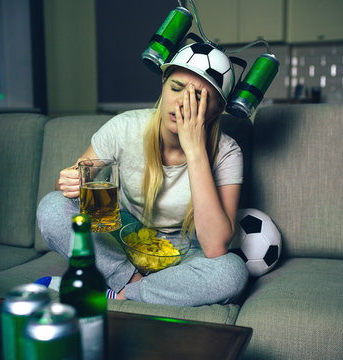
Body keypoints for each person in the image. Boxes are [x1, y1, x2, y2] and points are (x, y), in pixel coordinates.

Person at [37, 42, 248, 307]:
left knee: (232, 272)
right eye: (176, 88)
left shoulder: (228, 152)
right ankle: (131, 283)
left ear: (217, 109)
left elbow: (215, 248)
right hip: (122, 238)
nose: (182, 103)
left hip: (184, 250)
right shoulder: (124, 127)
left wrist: (195, 151)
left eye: (198, 97)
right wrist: (71, 182)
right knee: (51, 207)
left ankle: (118, 295)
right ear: (163, 83)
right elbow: (71, 185)